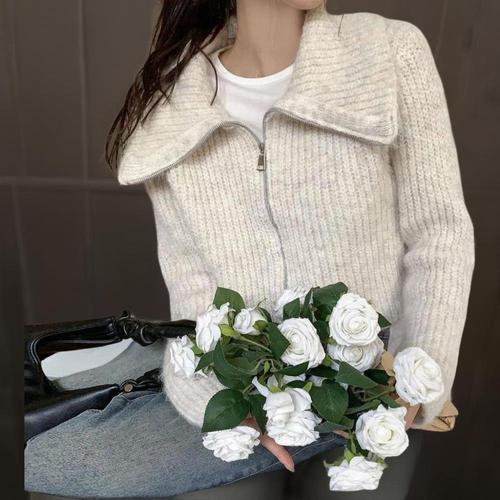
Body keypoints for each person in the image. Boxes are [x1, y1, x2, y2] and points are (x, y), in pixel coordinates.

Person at [24, 0, 475, 498]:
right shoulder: (174, 104)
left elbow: (439, 232)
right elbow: (193, 291)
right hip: (252, 400)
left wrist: (415, 376)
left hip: (376, 396)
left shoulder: (386, 52)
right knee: (63, 462)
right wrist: (217, 408)